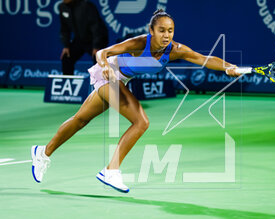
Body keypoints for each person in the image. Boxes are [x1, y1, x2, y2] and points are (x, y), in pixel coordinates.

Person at [31, 9, 240, 193]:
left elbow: (204, 59)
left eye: (170, 30)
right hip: (109, 74)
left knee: (80, 120)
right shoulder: (140, 43)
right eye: (162, 30)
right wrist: (104, 65)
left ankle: (42, 152)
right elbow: (104, 52)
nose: (167, 35)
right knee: (141, 122)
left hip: (122, 79)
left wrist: (228, 66)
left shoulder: (175, 50)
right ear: (152, 31)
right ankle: (111, 170)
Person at [59, 0, 108, 75]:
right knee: (66, 57)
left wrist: (96, 46)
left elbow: (96, 27)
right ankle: (67, 83)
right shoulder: (62, 7)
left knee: (98, 58)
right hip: (79, 40)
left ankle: (101, 84)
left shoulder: (87, 6)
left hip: (95, 39)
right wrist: (66, 46)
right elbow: (64, 29)